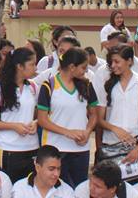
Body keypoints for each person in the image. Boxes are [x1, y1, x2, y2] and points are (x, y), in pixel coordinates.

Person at [37, 47, 98, 188]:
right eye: (83, 67)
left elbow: (94, 114)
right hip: (55, 149)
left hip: (80, 150)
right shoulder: (48, 85)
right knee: (57, 189)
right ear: (72, 67)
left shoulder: (87, 85)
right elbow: (42, 120)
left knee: (79, 189)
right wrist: (68, 133)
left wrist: (87, 132)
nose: (85, 71)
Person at [0, 47, 40, 183]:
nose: (35, 68)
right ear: (20, 66)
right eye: (32, 64)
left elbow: (40, 114)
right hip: (7, 149)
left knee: (29, 189)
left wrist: (36, 122)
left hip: (32, 148)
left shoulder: (33, 87)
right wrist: (14, 126)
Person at [98, 45, 138, 174]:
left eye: (117, 61)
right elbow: (99, 120)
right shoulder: (107, 85)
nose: (113, 65)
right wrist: (115, 129)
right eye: (111, 62)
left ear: (129, 61)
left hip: (137, 143)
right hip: (111, 144)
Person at [11, 145, 75, 198]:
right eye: (51, 169)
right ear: (37, 167)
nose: (56, 174)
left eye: (58, 169)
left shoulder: (67, 191)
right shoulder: (20, 188)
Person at [74, 160, 138, 198]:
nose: (91, 188)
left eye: (98, 186)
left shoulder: (130, 194)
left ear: (112, 189)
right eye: (90, 182)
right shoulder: (81, 190)